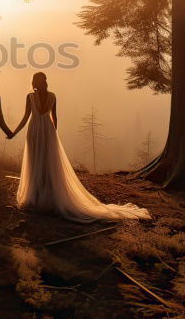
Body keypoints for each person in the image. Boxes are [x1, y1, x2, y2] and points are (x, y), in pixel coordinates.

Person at [12, 72, 150, 222]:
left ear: (34, 82)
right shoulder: (52, 96)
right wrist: (53, 135)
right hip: (48, 132)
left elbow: (26, 117)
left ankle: (37, 196)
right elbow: (54, 118)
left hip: (34, 132)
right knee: (48, 163)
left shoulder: (30, 97)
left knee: (35, 162)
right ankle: (47, 196)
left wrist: (14, 132)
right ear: (45, 81)